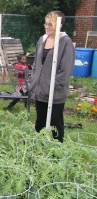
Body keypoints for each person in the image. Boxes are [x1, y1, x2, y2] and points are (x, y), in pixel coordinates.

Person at [29, 11, 75, 143]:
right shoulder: (42, 40)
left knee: (56, 124)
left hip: (55, 93)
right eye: (46, 23)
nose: (47, 26)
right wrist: (34, 80)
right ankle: (39, 148)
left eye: (51, 24)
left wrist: (52, 87)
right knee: (40, 123)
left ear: (59, 25)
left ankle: (56, 152)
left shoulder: (65, 42)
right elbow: (36, 64)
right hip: (40, 91)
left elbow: (65, 70)